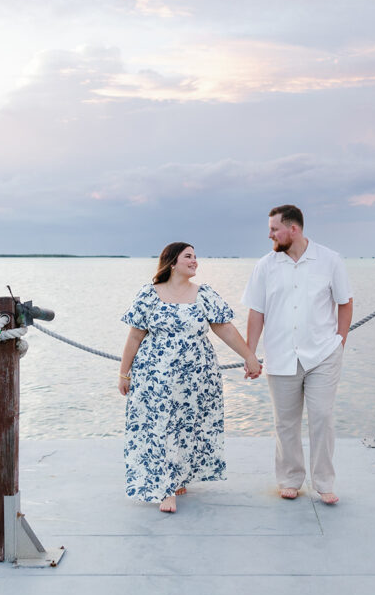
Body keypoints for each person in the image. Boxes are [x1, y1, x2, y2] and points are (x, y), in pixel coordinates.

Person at [119, 242, 262, 513]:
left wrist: (249, 356)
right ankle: (167, 489)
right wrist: (123, 373)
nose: (195, 261)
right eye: (188, 257)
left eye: (195, 257)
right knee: (161, 427)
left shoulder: (204, 295)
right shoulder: (149, 295)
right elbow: (135, 335)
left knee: (187, 427)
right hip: (156, 375)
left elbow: (225, 329)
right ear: (172, 263)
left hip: (197, 376)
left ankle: (178, 475)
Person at [242, 205, 353, 504]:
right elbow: (256, 312)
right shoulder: (265, 265)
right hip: (280, 355)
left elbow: (345, 302)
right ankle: (290, 479)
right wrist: (250, 354)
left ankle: (324, 483)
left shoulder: (330, 260)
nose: (270, 235)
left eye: (274, 229)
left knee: (322, 417)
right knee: (286, 422)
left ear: (294, 229)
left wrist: (340, 341)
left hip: (323, 354)